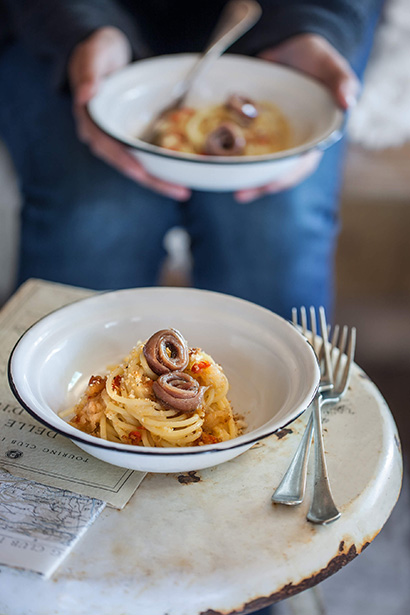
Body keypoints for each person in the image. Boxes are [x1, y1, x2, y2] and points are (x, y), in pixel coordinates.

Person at [0, 0, 383, 325]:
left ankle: (289, 404)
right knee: (95, 215)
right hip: (59, 19)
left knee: (277, 230)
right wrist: (79, 26)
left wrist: (314, 24)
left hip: (292, 16)